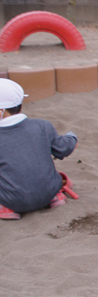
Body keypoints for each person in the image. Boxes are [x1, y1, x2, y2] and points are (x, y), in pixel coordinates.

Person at [0, 79, 77, 220]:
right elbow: (64, 149)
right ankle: (55, 196)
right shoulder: (42, 126)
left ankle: (6, 208)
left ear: (1, 111)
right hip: (47, 193)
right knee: (50, 173)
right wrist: (72, 137)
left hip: (13, 200)